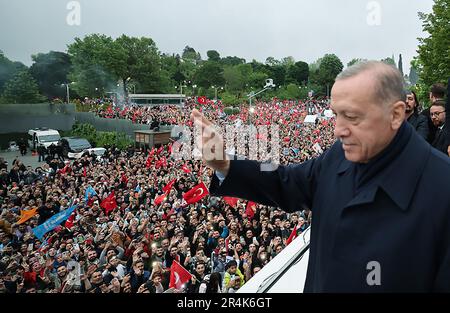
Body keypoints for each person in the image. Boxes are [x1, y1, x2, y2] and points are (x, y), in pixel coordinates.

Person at [192, 61, 450, 292]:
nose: (338, 130)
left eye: (351, 116)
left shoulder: (442, 188)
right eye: (336, 114)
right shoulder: (339, 154)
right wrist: (226, 164)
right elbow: (287, 182)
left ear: (395, 114)